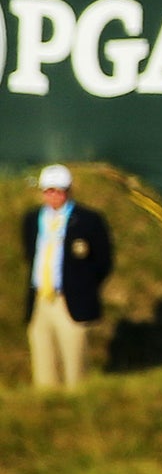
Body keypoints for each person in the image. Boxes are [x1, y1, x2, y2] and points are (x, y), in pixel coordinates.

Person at [21, 165, 114, 391]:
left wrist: (83, 288)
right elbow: (29, 253)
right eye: (49, 190)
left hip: (70, 301)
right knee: (42, 362)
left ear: (69, 190)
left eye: (59, 190)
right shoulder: (32, 219)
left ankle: (78, 408)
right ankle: (47, 408)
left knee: (75, 366)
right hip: (41, 299)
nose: (54, 196)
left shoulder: (89, 220)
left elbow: (103, 261)